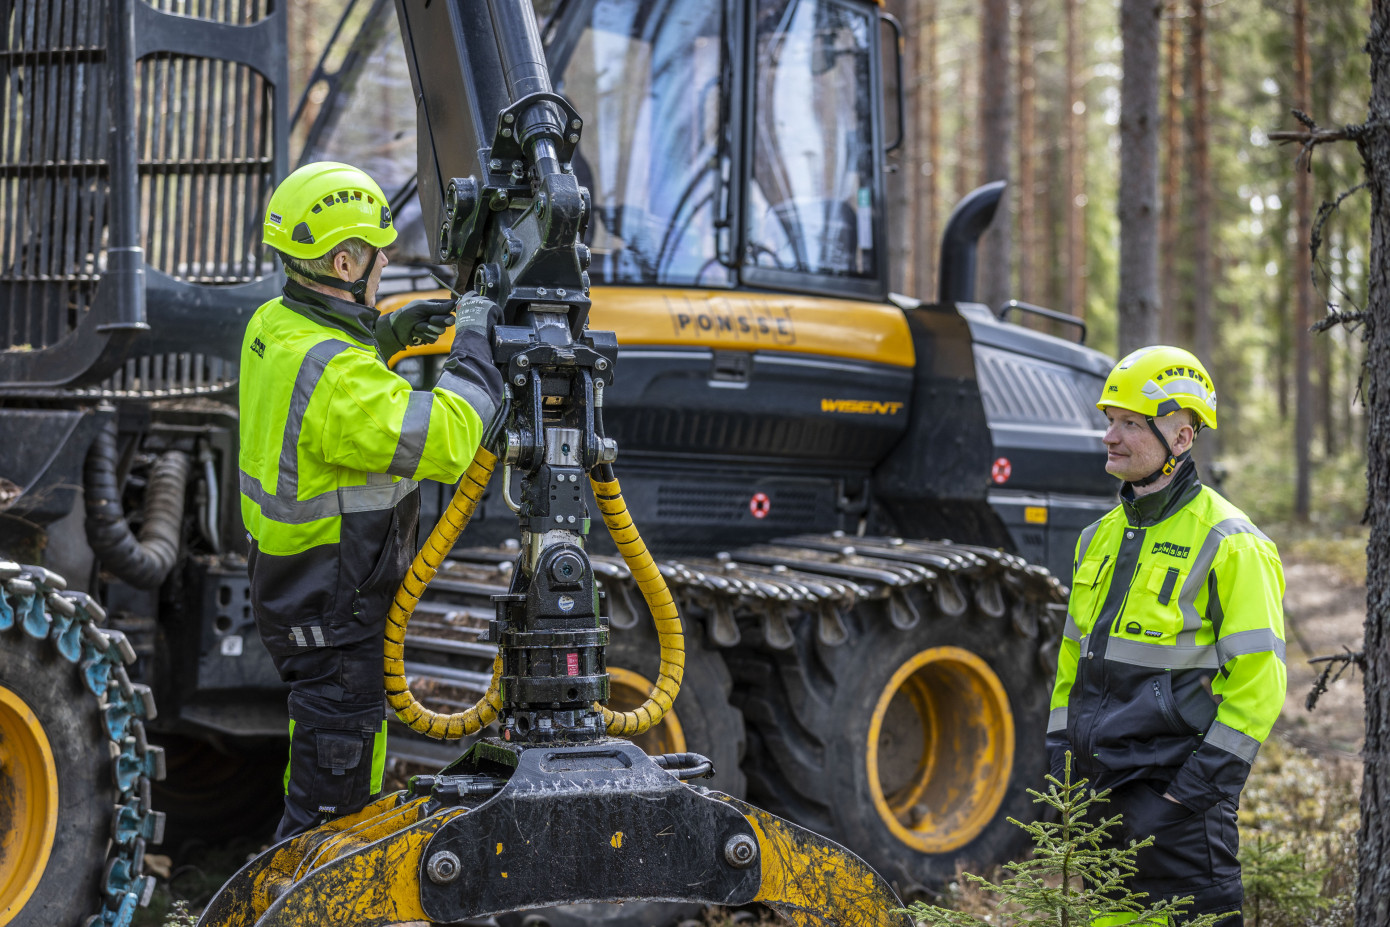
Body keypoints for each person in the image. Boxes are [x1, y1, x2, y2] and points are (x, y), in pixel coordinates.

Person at [240, 161, 504, 840]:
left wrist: (385, 335)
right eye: (377, 250)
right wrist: (473, 347)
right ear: (345, 259)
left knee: (333, 775)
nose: (387, 260)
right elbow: (446, 438)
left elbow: (327, 379)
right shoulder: (339, 380)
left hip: (293, 587)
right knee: (329, 822)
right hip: (339, 610)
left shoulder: (272, 326)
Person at [1046, 345, 1286, 926]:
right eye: (1110, 420)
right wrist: (1059, 763)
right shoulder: (1095, 538)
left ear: (1181, 439)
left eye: (1130, 423)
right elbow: (1072, 664)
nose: (1111, 436)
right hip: (1101, 799)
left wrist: (1185, 797)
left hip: (1181, 811)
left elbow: (1259, 690)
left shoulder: (1233, 542)